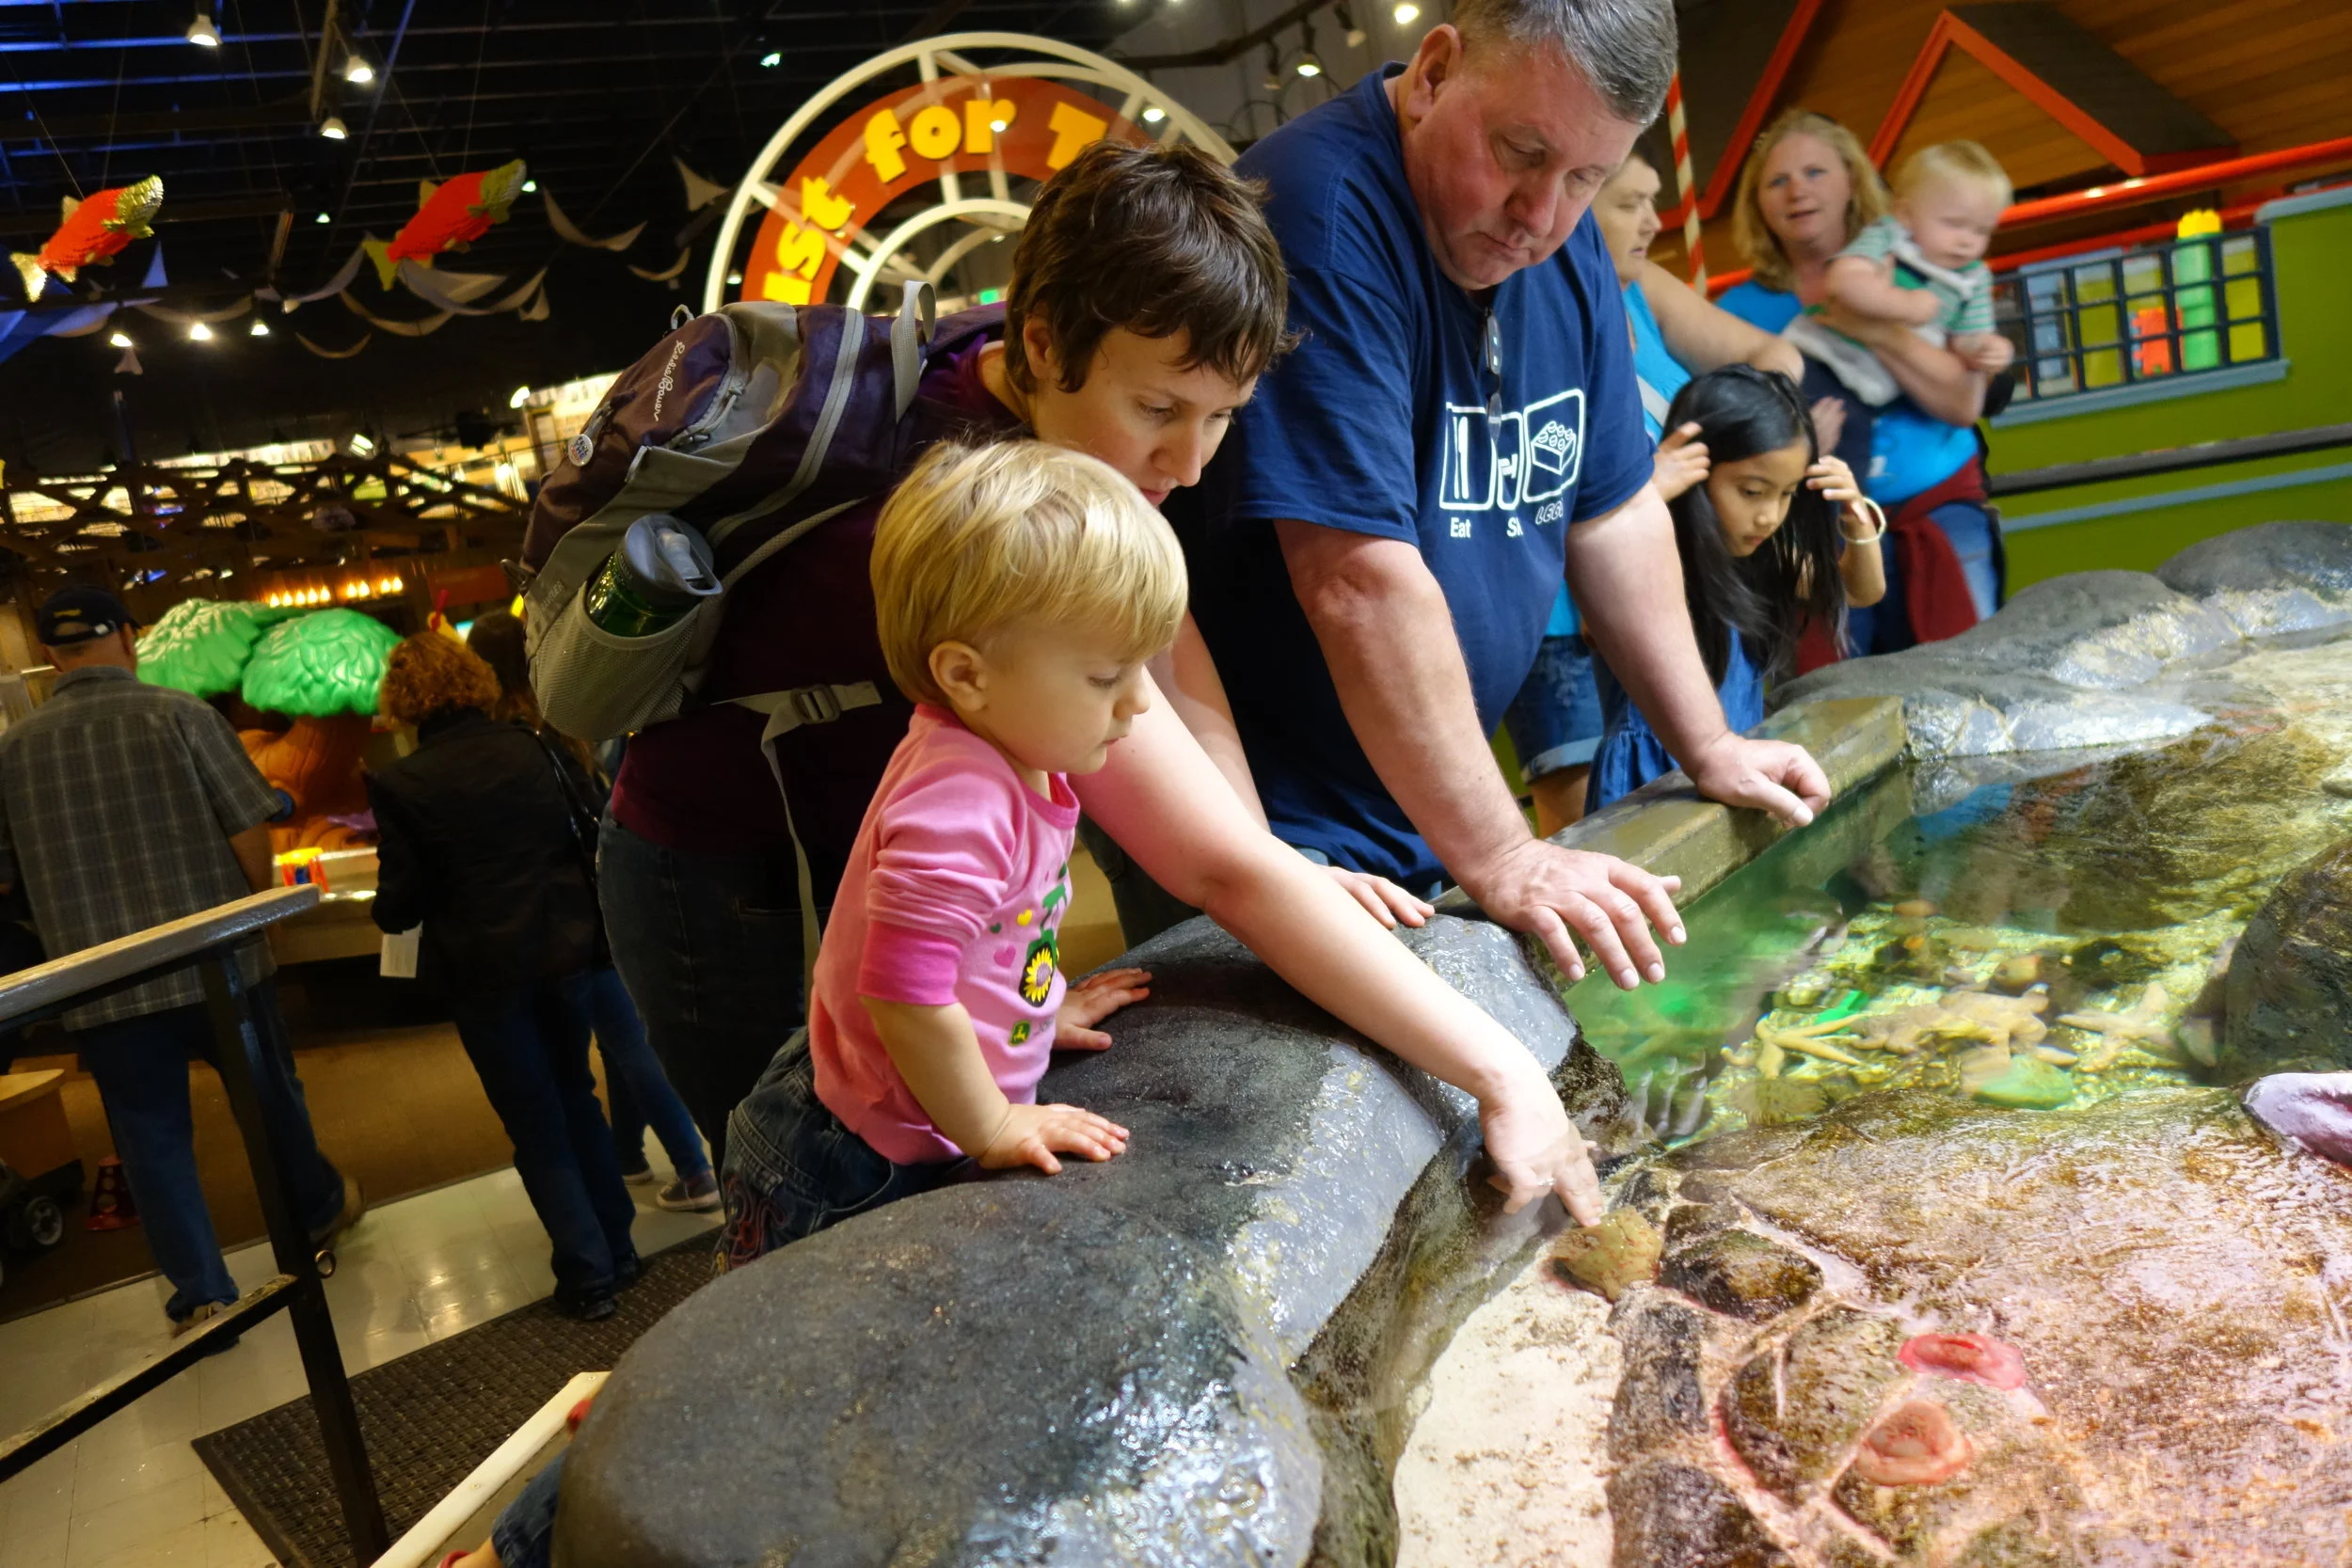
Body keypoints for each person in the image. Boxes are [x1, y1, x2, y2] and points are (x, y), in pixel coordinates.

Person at [582, 139, 1422, 1169]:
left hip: (886, 846)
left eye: (1221, 418)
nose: (1190, 462)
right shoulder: (966, 492)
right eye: (1157, 411)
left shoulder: (1049, 379)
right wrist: (1493, 1070)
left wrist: (1266, 852)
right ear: (1041, 342)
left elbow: (1157, 640)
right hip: (716, 855)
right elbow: (1211, 862)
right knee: (807, 1160)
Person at [1182, 0, 1830, 998]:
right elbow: (1355, 578)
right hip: (1268, 810)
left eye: (1587, 177)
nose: (1542, 214)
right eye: (1519, 151)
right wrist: (1503, 850)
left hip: (1413, 794)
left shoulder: (1560, 242)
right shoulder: (1317, 214)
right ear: (1434, 71)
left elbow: (1610, 508)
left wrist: (1709, 742)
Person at [0, 586, 357, 1333]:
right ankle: (316, 1214)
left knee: (148, 1135)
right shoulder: (182, 715)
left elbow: (8, 872)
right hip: (216, 966)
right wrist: (258, 915)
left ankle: (203, 1290)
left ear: (46, 655)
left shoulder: (15, 751)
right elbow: (246, 827)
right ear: (129, 640)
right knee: (268, 1097)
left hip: (102, 984)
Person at [1504, 148, 1805, 836]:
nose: (1652, 221)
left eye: (1653, 200)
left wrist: (1764, 430)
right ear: (1573, 201)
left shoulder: (1639, 285)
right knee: (1590, 815)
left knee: (1680, 781)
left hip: (1660, 583)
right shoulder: (1520, 299)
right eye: (1628, 203)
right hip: (1556, 608)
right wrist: (1641, 487)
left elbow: (1774, 356)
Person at [367, 634, 640, 1321]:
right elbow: (588, 832)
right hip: (567, 952)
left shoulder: (403, 782)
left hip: (485, 974)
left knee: (535, 1119)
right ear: (474, 679)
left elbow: (398, 903)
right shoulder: (536, 747)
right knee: (578, 1094)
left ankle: (586, 1271)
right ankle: (620, 1247)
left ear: (402, 700)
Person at [1720, 109, 2001, 654]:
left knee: (1970, 670)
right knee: (1841, 695)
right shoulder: (1739, 311)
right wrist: (1790, 451)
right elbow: (1729, 438)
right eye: (1776, 181)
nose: (1796, 191)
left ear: (1853, 180)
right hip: (1820, 534)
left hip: (1933, 507)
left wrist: (1875, 328)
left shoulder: (1918, 263)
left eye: (1815, 172)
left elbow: (1963, 404)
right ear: (1758, 203)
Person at [467, 611, 717, 1212]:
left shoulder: (508, 736)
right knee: (622, 1034)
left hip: (565, 918)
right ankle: (629, 1152)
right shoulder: (568, 717)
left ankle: (693, 1166)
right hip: (604, 893)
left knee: (627, 1039)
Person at [1587, 367, 1885, 809]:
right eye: (1751, 491)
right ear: (1694, 472)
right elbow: (1592, 612)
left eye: (1785, 494)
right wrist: (1645, 499)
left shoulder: (1759, 560)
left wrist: (1856, 517)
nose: (1769, 516)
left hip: (1741, 766)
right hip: (1652, 782)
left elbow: (1860, 591)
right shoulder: (1652, 555)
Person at [1788, 140, 2016, 505]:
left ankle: (1847, 539)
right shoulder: (1889, 237)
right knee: (1809, 441)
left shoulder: (1972, 278)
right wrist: (1902, 305)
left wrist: (1991, 351)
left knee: (1848, 462)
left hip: (1869, 387)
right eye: (1955, 225)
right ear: (1907, 215)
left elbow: (1969, 341)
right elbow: (1845, 281)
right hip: (1823, 357)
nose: (1967, 242)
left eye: (1982, 231)